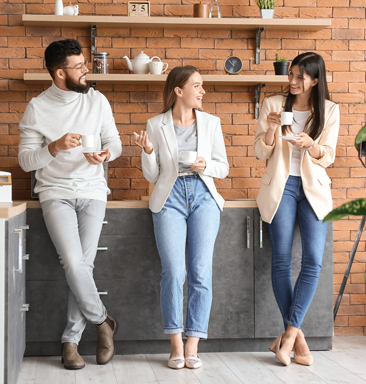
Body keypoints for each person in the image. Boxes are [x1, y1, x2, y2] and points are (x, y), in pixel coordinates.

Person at [17, 39, 122, 370]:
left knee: (82, 268)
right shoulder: (37, 108)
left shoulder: (97, 101)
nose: (86, 70)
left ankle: (70, 343)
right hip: (54, 192)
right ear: (59, 72)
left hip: (92, 190)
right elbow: (24, 161)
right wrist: (54, 148)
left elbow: (114, 142)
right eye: (80, 67)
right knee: (74, 263)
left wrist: (107, 154)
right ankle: (103, 322)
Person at [133, 66, 229, 370]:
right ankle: (175, 345)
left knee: (201, 271)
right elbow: (152, 174)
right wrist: (147, 150)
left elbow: (223, 167)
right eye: (197, 86)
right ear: (179, 90)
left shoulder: (211, 123)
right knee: (174, 272)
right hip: (169, 197)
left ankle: (192, 345)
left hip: (203, 196)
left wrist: (206, 166)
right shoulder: (155, 124)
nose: (202, 92)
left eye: (202, 86)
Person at [253, 52, 340, 367]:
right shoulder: (273, 105)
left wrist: (310, 145)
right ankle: (298, 337)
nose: (291, 81)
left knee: (313, 261)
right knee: (281, 262)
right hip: (281, 186)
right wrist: (272, 131)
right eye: (290, 75)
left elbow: (327, 155)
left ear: (315, 80)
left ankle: (288, 335)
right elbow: (260, 150)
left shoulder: (329, 110)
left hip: (313, 189)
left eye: (299, 77)